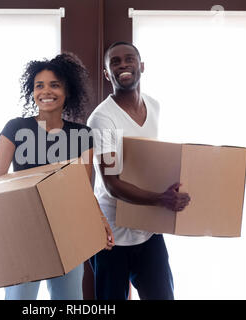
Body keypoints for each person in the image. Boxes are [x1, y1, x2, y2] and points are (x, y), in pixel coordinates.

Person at [0, 52, 114, 300]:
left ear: (67, 92)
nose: (46, 91)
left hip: (67, 229)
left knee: (69, 299)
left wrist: (100, 223)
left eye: (55, 85)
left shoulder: (82, 135)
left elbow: (84, 190)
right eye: (39, 85)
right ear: (32, 91)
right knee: (19, 297)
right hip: (24, 227)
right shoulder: (16, 128)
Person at [87, 41, 191, 300]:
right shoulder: (102, 119)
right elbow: (111, 183)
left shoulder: (154, 106)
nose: (123, 64)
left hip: (147, 228)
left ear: (141, 66)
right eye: (115, 61)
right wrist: (160, 199)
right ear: (106, 73)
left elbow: (149, 163)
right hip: (111, 235)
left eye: (129, 58)